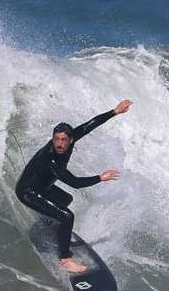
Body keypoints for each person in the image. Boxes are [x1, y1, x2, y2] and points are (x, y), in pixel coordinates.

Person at [15, 99, 132, 274]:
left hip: (42, 186)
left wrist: (114, 111)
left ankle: (47, 224)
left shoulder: (70, 140)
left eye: (63, 140)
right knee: (67, 216)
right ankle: (65, 261)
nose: (59, 144)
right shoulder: (52, 160)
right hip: (28, 191)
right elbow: (75, 183)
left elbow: (88, 125)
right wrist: (101, 177)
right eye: (56, 139)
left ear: (70, 140)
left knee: (66, 199)